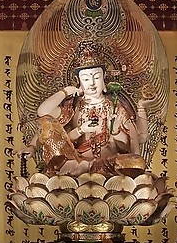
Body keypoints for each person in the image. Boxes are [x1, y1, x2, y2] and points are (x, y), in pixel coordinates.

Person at [19, 42, 154, 177]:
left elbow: (132, 144)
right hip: (76, 160)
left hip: (108, 163)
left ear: (104, 78)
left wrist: (116, 131)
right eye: (86, 79)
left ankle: (88, 167)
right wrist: (66, 93)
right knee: (49, 123)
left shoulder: (115, 106)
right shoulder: (73, 106)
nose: (92, 83)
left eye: (97, 77)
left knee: (136, 162)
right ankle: (84, 167)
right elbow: (44, 115)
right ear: (78, 81)